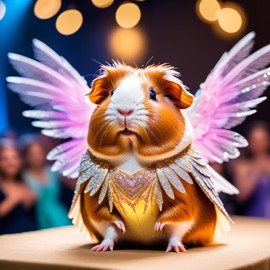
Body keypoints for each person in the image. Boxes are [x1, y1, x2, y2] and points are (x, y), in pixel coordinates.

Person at [23, 141, 71, 229]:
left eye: (39, 153)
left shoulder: (53, 171)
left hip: (59, 212)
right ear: (25, 156)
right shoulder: (23, 176)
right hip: (38, 216)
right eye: (32, 154)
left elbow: (73, 185)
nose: (36, 157)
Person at [232, 121, 270, 218]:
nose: (259, 144)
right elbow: (241, 197)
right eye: (255, 140)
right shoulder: (243, 166)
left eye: (262, 139)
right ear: (249, 142)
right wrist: (257, 168)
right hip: (253, 218)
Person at [0, 140, 37, 234]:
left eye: (14, 157)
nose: (11, 162)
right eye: (4, 159)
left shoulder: (23, 182)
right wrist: (14, 198)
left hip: (28, 230)